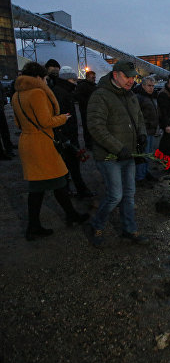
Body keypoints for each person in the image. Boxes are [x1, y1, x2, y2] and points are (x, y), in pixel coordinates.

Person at [11, 62, 89, 241]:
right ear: (38, 77)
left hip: (27, 142)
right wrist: (63, 118)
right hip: (42, 144)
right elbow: (46, 121)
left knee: (45, 185)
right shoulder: (38, 93)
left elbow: (17, 123)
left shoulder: (17, 95)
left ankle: (46, 222)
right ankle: (40, 225)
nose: (46, 81)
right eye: (45, 78)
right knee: (54, 181)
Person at [85, 60, 148, 247]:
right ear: (115, 75)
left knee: (129, 194)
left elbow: (139, 118)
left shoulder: (130, 95)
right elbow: (96, 127)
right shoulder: (100, 96)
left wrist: (142, 135)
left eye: (133, 77)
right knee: (115, 196)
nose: (131, 80)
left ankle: (129, 229)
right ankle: (96, 224)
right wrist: (118, 148)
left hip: (128, 154)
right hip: (109, 156)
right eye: (127, 76)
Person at [52, 66, 94, 198]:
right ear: (67, 79)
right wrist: (64, 136)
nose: (75, 82)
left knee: (72, 166)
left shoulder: (63, 91)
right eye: (73, 80)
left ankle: (78, 190)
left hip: (68, 135)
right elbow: (60, 117)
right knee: (68, 166)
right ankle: (69, 191)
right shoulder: (61, 93)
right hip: (66, 136)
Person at [135, 76, 159, 184]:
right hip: (144, 131)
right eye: (149, 86)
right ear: (143, 85)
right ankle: (140, 177)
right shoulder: (139, 97)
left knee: (147, 154)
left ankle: (145, 173)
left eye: (153, 86)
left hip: (150, 130)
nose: (151, 88)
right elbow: (136, 116)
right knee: (143, 154)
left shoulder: (148, 96)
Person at [74, 70, 96, 149]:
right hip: (85, 110)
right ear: (87, 77)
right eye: (92, 77)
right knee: (87, 127)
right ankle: (88, 144)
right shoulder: (82, 86)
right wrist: (87, 102)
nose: (94, 79)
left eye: (94, 77)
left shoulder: (94, 86)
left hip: (92, 110)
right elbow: (78, 96)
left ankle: (92, 142)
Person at [0, 80, 16, 160]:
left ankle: (9, 148)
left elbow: (2, 91)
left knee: (4, 130)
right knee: (4, 130)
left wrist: (4, 100)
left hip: (0, 108)